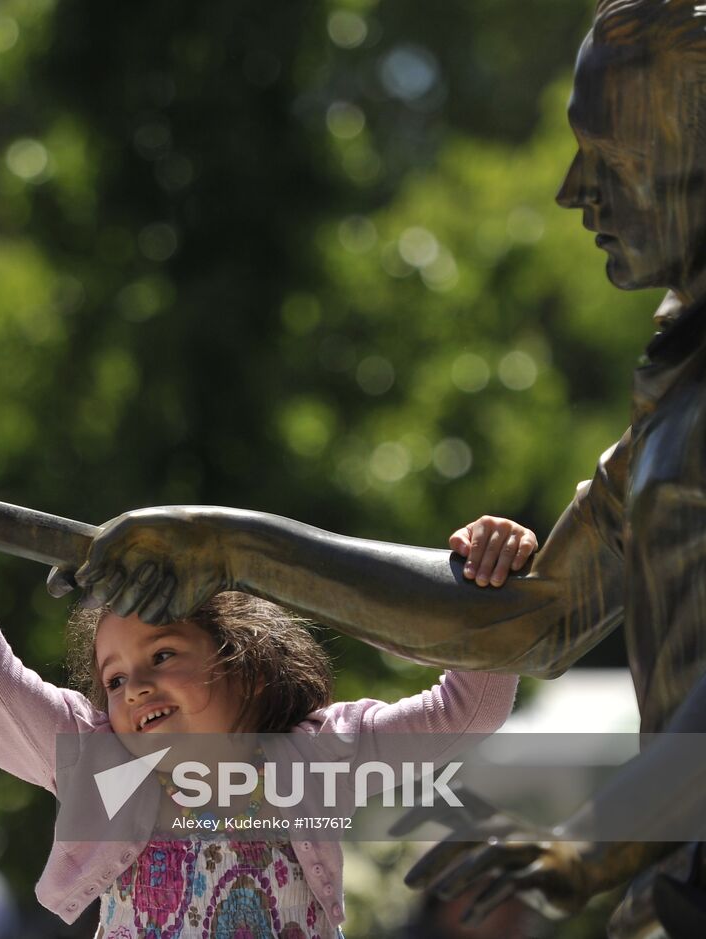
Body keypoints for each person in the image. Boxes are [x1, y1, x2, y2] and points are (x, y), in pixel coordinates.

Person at [42, 2, 706, 932]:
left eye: (616, 152)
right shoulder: (673, 403)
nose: (574, 189)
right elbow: (527, 621)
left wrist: (595, 841)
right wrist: (228, 544)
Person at [0, 449, 529, 938]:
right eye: (114, 678)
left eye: (163, 654)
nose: (135, 686)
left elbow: (469, 710)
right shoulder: (100, 764)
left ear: (244, 661)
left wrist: (492, 593)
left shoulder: (321, 755)